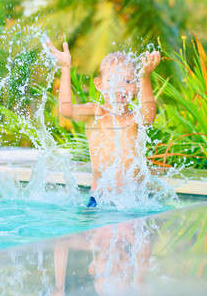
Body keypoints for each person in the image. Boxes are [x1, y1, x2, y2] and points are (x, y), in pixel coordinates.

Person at [47, 42, 161, 207]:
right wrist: (65, 68)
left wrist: (145, 77)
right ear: (99, 85)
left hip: (133, 200)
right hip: (101, 198)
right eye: (113, 80)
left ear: (136, 87)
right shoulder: (95, 113)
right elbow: (66, 110)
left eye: (128, 81)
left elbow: (149, 116)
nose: (120, 86)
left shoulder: (134, 118)